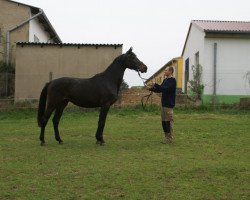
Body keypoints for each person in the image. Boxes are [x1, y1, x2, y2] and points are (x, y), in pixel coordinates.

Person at [149, 66, 177, 144]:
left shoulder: (173, 81)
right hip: (163, 104)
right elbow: (160, 89)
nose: (164, 72)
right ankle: (166, 137)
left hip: (169, 105)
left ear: (170, 71)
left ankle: (170, 138)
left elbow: (165, 89)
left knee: (169, 121)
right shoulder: (165, 80)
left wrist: (156, 84)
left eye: (166, 70)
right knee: (164, 122)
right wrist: (152, 89)